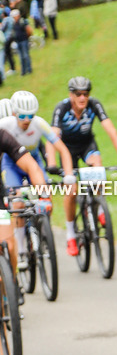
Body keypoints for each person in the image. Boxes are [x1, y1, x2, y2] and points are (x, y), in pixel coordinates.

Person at [49, 77, 117, 255]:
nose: (82, 98)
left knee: (97, 167)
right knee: (71, 190)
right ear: (71, 95)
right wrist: (52, 164)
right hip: (67, 149)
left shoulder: (94, 105)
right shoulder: (61, 108)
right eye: (78, 94)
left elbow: (112, 131)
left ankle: (100, 207)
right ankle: (71, 234)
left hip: (87, 145)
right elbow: (52, 136)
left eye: (86, 94)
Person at [0, 91, 74, 278]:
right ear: (14, 113)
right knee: (17, 202)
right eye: (22, 115)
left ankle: (42, 229)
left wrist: (68, 176)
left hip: (31, 161)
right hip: (12, 165)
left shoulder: (39, 124)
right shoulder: (5, 125)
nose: (26, 120)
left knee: (45, 195)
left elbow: (61, 150)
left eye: (30, 115)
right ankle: (22, 250)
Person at [0, 112, 55, 284]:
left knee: (7, 246)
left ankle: (11, 290)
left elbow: (32, 166)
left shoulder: (2, 136)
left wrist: (44, 196)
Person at [10, 10, 32, 76]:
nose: (14, 18)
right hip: (18, 42)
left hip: (24, 41)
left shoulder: (22, 21)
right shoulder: (14, 23)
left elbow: (29, 30)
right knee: (21, 57)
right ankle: (23, 71)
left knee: (26, 55)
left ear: (18, 15)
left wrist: (27, 37)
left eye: (14, 16)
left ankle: (29, 70)